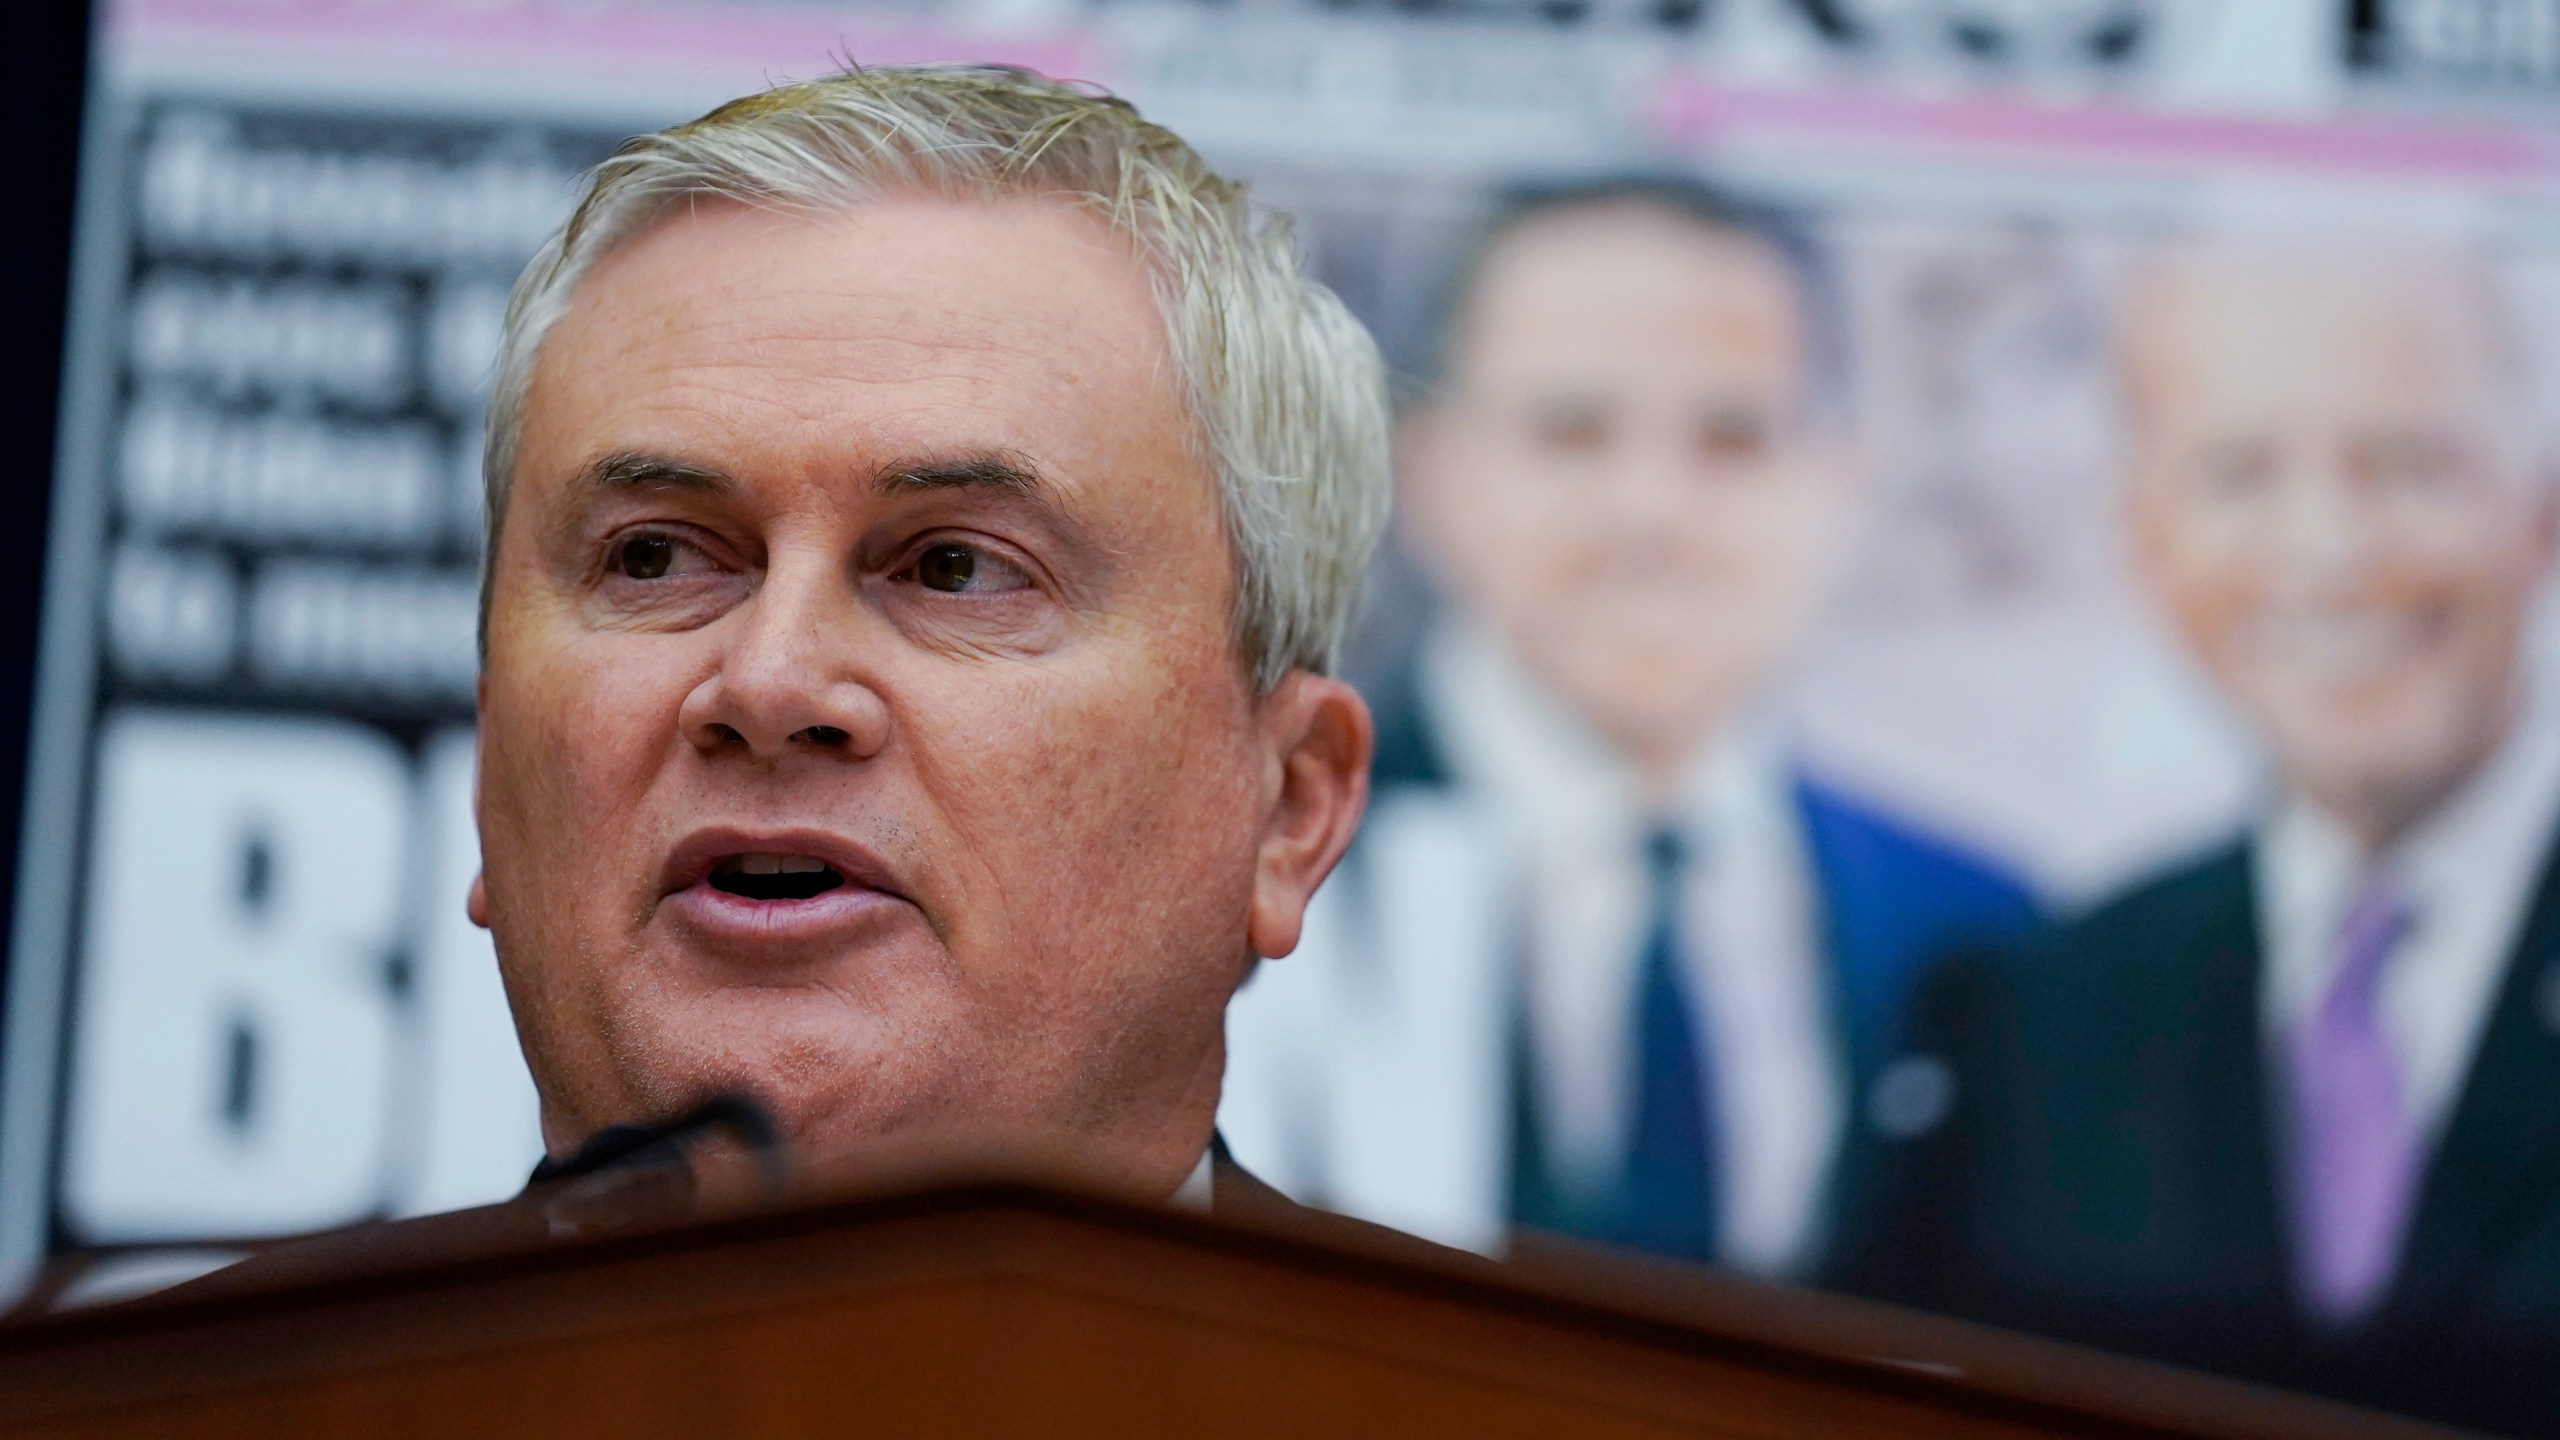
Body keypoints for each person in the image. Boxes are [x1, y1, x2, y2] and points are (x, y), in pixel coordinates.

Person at [421, 65, 1386, 1214]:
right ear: (491, 767)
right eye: (656, 559)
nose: (770, 682)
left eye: (956, 568)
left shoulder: (1486, 1404)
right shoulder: (187, 1397)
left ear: (1286, 808)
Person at [1219, 179, 2036, 1275]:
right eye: (1571, 431)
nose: (1651, 506)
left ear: (1840, 481)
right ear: (1431, 475)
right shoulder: (1238, 884)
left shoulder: (1985, 940)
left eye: (1733, 435)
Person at [1835, 237, 2560, 1437]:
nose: (2329, 549)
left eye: (2406, 464)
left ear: (2538, 512)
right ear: (2147, 540)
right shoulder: (2032, 1019)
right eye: (2238, 473)